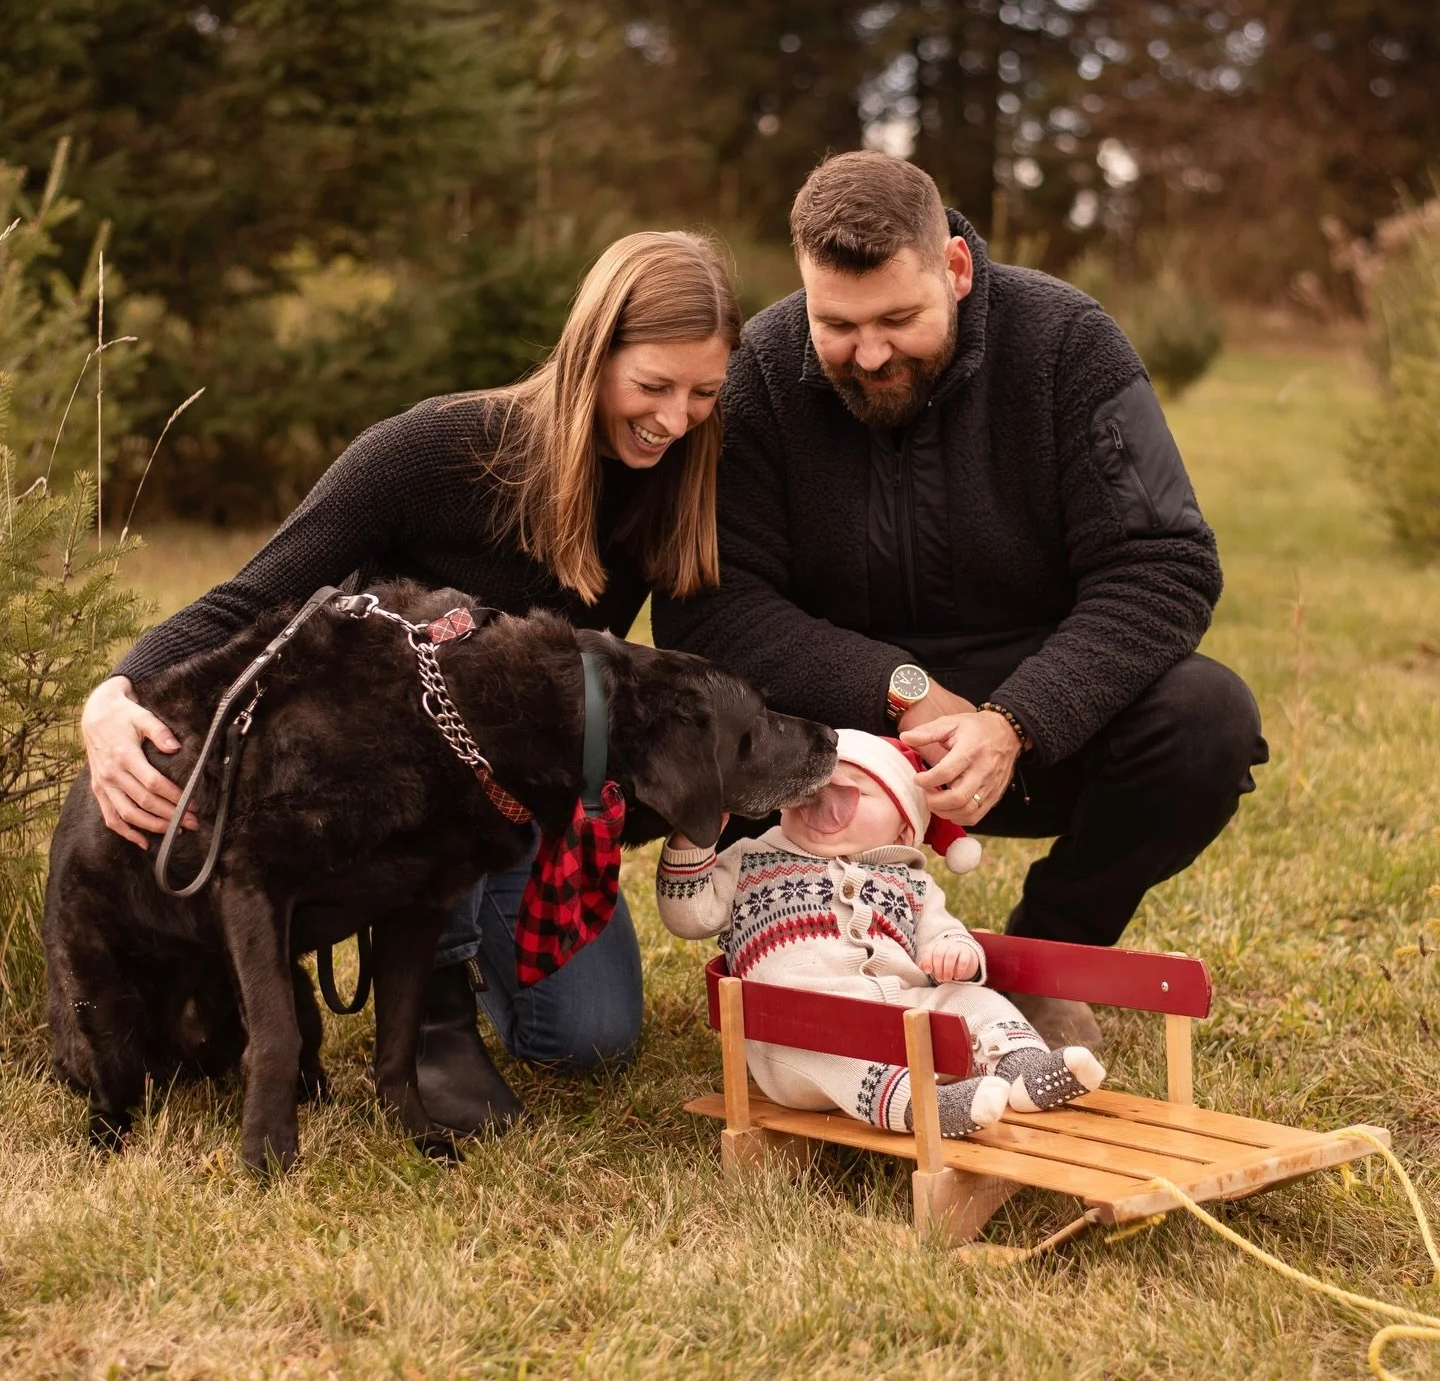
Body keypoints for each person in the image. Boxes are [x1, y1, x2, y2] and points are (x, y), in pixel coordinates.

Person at [81, 230, 741, 1135]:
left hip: (514, 799)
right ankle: (431, 1009)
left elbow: (693, 664)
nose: (675, 417)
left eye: (704, 392)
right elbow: (252, 593)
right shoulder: (433, 449)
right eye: (653, 386)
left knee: (588, 1037)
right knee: (446, 757)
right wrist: (115, 691)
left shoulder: (674, 479)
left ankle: (457, 953)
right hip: (371, 791)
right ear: (593, 354)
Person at [652, 151, 1268, 1050]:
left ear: (957, 268)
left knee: (1208, 718)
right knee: (689, 714)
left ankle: (1042, 958)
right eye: (838, 324)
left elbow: (1165, 562)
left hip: (1024, 712)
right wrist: (894, 686)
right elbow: (710, 609)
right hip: (828, 732)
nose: (869, 354)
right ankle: (809, 949)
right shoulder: (761, 376)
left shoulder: (1070, 345)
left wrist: (1018, 720)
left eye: (899, 319)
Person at [655, 729, 1105, 1136]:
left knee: (978, 1001)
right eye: (811, 788)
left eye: (853, 792)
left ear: (905, 827)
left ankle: (1022, 1069)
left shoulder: (911, 883)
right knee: (834, 1054)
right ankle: (921, 1107)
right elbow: (688, 915)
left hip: (901, 1012)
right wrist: (693, 839)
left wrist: (955, 950)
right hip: (798, 1030)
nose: (823, 799)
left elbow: (943, 931)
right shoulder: (752, 860)